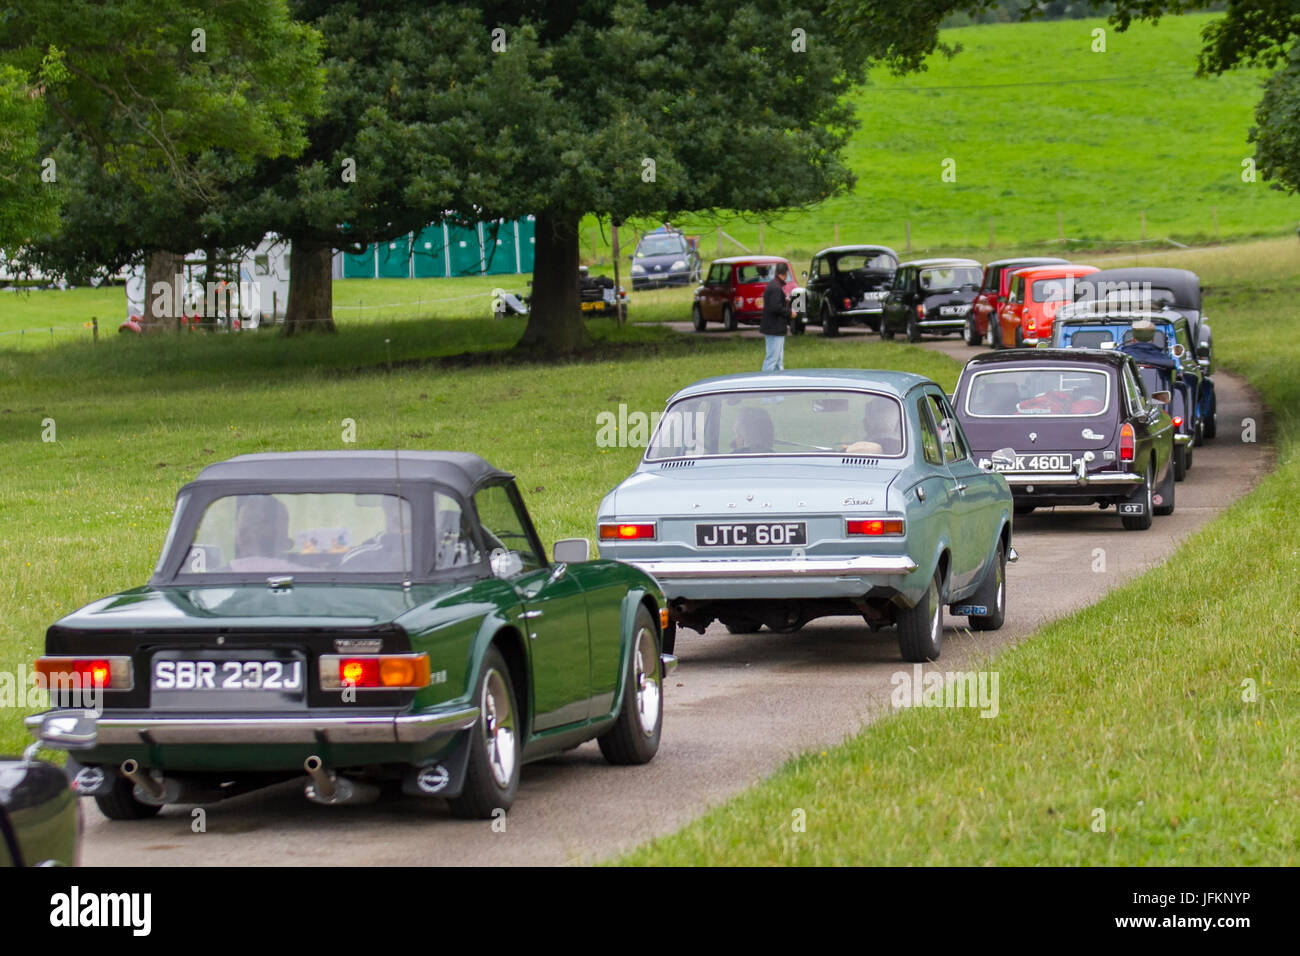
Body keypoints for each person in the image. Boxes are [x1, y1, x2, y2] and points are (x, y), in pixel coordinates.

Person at [760, 262, 791, 371]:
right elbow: (775, 307)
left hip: (773, 328)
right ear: (786, 273)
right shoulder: (776, 288)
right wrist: (789, 312)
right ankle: (764, 383)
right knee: (772, 359)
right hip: (775, 329)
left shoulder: (773, 285)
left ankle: (780, 383)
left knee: (778, 361)